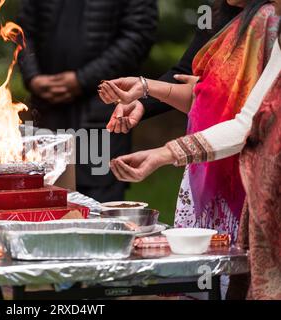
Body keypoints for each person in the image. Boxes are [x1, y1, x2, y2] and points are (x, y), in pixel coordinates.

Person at [99, 1, 279, 243]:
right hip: (211, 160)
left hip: (243, 174)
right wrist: (144, 91)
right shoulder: (219, 14)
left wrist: (163, 152)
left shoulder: (266, 21)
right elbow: (204, 97)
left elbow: (241, 119)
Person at [17, 0, 158, 202]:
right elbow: (23, 30)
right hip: (48, 113)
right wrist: (33, 77)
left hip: (102, 113)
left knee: (99, 202)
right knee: (43, 192)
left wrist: (82, 80)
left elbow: (138, 35)